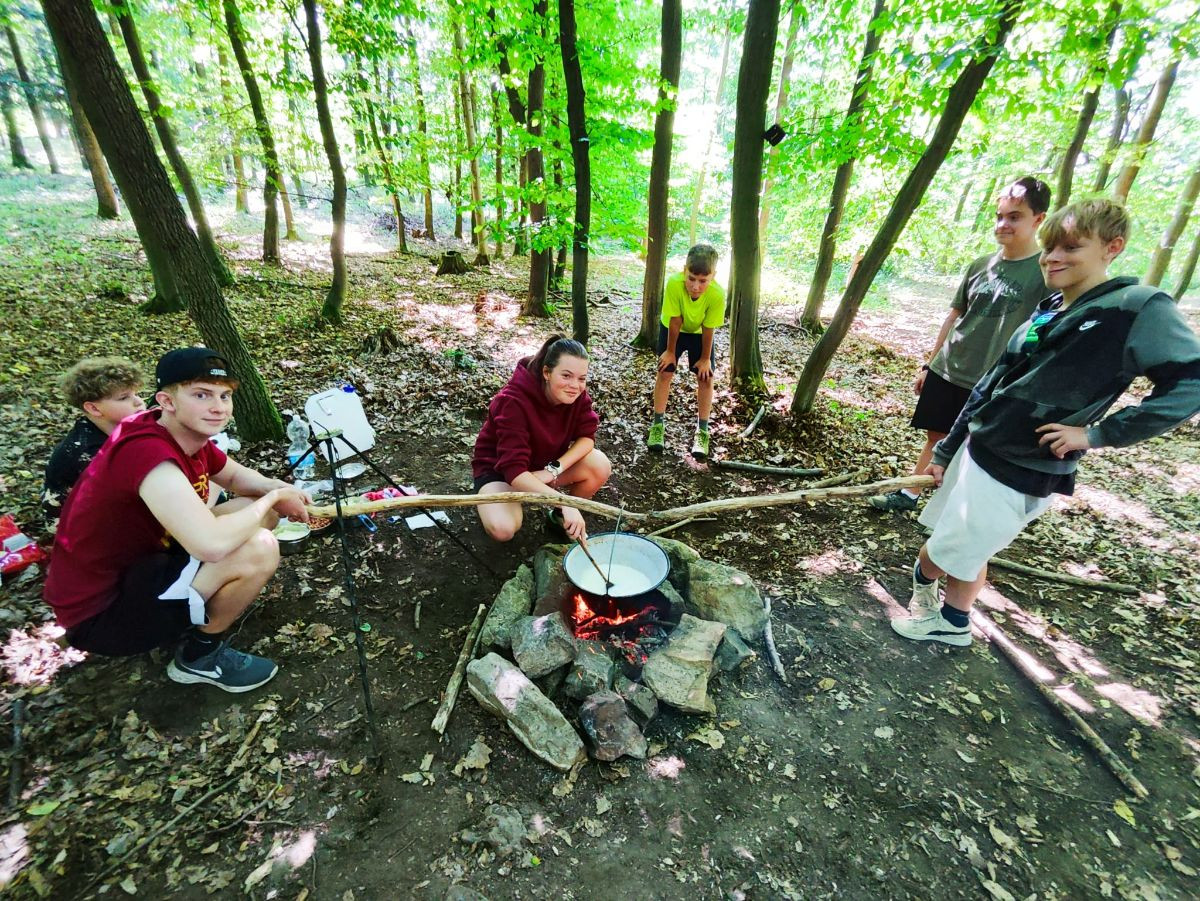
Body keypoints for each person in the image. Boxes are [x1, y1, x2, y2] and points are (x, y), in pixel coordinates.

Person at [891, 199, 1200, 647]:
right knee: (952, 541)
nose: (1052, 258)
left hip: (1026, 464)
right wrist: (946, 449)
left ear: (1112, 247)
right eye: (1050, 247)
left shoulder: (1134, 308)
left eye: (1071, 248)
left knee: (962, 546)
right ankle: (933, 595)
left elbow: (1190, 384)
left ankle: (952, 622)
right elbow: (991, 385)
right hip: (980, 447)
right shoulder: (1049, 308)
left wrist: (1097, 434)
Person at [43, 347, 310, 691]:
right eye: (201, 395)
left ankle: (194, 608)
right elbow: (211, 545)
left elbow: (232, 476)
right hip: (102, 613)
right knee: (259, 546)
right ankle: (199, 655)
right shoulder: (147, 452)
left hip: (143, 567)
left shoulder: (173, 431)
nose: (218, 407)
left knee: (258, 510)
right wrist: (274, 498)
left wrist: (277, 488)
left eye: (224, 396)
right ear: (166, 401)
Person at [869, 177, 1052, 513]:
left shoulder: (1046, 273)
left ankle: (954, 510)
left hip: (995, 379)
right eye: (999, 216)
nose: (1003, 224)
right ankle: (909, 494)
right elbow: (955, 315)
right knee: (935, 436)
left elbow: (1046, 330)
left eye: (1014, 217)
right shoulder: (981, 265)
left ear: (1038, 219)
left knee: (975, 446)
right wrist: (930, 364)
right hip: (950, 367)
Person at [472, 335, 611, 542]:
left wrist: (552, 470)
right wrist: (563, 500)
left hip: (541, 467)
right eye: (566, 376)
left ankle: (559, 518)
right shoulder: (512, 401)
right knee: (503, 529)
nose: (575, 385)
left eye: (581, 378)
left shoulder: (576, 395)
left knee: (599, 465)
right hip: (501, 472)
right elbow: (513, 471)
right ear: (547, 372)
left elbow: (587, 437)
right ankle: (496, 502)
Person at [646, 243, 726, 460]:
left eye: (703, 281)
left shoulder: (717, 294)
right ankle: (657, 425)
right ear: (684, 271)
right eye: (691, 278)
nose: (696, 286)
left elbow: (709, 327)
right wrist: (670, 352)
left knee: (706, 377)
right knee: (665, 371)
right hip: (673, 330)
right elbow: (675, 320)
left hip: (700, 333)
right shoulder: (674, 284)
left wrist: (706, 358)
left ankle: (702, 431)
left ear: (713, 277)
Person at [42, 357, 147, 523]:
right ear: (93, 408)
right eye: (123, 398)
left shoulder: (121, 426)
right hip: (75, 524)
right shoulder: (88, 452)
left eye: (136, 394)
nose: (139, 402)